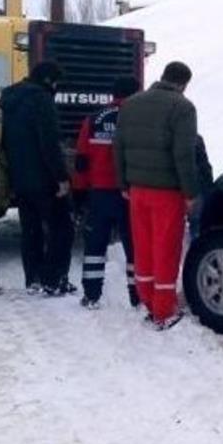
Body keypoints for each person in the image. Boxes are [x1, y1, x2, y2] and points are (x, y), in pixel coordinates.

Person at [114, 61, 200, 329]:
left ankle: (148, 300)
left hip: (137, 190)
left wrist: (124, 185)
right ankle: (164, 310)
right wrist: (190, 192)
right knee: (166, 248)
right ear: (184, 83)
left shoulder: (132, 104)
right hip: (167, 192)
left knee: (144, 246)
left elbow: (118, 147)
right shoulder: (182, 107)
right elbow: (184, 154)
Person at [0, 62, 76, 296]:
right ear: (47, 80)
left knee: (30, 229)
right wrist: (61, 178)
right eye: (56, 83)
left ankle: (32, 278)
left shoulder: (10, 100)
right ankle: (53, 280)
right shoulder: (41, 100)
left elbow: (5, 142)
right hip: (44, 179)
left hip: (20, 178)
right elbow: (48, 142)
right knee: (62, 228)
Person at [73, 75, 141, 309]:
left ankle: (91, 295)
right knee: (134, 247)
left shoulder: (93, 119)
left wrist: (80, 192)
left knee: (95, 246)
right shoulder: (138, 119)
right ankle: (137, 296)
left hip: (99, 193)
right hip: (129, 193)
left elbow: (81, 160)